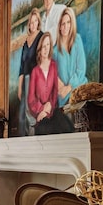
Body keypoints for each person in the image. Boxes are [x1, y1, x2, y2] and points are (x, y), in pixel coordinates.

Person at [27, 32, 71, 135]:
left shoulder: (53, 66)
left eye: (48, 45)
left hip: (53, 111)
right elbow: (31, 99)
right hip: (40, 114)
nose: (46, 49)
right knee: (45, 131)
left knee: (68, 127)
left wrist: (49, 106)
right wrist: (42, 110)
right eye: (43, 46)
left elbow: (54, 91)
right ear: (40, 48)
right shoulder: (35, 71)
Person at [53, 7, 88, 107]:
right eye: (63, 24)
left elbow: (81, 69)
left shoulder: (77, 40)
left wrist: (69, 87)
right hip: (64, 97)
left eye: (68, 22)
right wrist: (64, 89)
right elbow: (54, 76)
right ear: (59, 26)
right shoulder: (55, 51)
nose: (66, 26)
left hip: (80, 88)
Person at [17, 8, 44, 136]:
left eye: (35, 21)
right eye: (31, 22)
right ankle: (25, 138)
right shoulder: (25, 42)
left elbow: (43, 60)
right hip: (26, 78)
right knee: (22, 113)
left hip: (36, 78)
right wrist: (19, 86)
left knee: (31, 110)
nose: (33, 25)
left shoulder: (41, 37)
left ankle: (34, 136)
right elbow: (22, 66)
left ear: (38, 22)